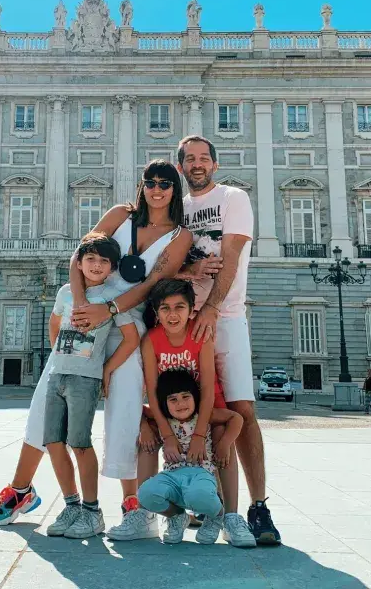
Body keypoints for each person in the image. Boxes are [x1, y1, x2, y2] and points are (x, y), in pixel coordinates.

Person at [0, 160, 192, 530]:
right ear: (142, 185)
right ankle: (20, 491)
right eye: (150, 182)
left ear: (175, 189)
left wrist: (108, 309)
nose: (157, 189)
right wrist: (82, 308)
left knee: (124, 413)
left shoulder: (180, 237)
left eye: (165, 183)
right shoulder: (119, 214)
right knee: (43, 408)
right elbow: (78, 256)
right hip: (83, 324)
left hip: (127, 328)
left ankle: (133, 505)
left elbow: (151, 285)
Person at [176, 134, 281, 545]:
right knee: (193, 410)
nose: (197, 164)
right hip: (181, 321)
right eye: (190, 159)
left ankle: (258, 507)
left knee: (241, 409)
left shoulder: (233, 198)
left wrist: (213, 307)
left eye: (204, 158)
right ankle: (208, 499)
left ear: (214, 165)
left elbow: (233, 255)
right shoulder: (178, 209)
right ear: (181, 166)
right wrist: (192, 268)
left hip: (226, 316)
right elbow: (167, 264)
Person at [127, 278, 255, 546]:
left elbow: (208, 387)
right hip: (170, 406)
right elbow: (151, 389)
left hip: (205, 405)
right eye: (164, 308)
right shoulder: (151, 340)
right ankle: (148, 513)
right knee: (147, 438)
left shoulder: (200, 333)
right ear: (156, 311)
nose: (172, 314)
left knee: (223, 440)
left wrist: (199, 435)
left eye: (179, 307)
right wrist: (164, 432)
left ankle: (230, 515)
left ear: (191, 308)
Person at [44, 233, 140, 539]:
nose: (96, 265)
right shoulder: (65, 293)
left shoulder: (111, 300)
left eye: (103, 261)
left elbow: (132, 338)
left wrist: (107, 369)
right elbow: (54, 322)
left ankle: (91, 510)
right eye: (90, 259)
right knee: (52, 442)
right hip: (58, 375)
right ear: (81, 263)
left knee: (80, 444)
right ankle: (71, 505)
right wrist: (57, 355)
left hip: (86, 380)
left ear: (112, 267)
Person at [137, 370, 245, 545]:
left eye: (186, 397)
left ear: (195, 397)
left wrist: (225, 443)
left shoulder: (204, 415)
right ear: (164, 404)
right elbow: (138, 408)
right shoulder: (163, 418)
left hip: (201, 474)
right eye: (173, 400)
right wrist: (144, 428)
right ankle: (177, 517)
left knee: (198, 494)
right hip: (172, 476)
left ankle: (216, 516)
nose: (180, 404)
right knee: (145, 493)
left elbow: (236, 417)